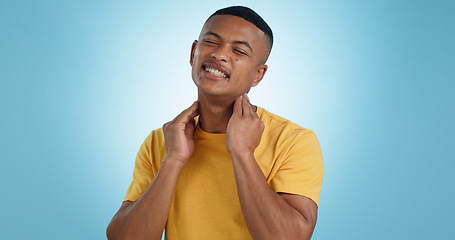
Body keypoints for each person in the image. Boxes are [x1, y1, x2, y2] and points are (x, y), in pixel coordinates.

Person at [107, 6, 323, 240]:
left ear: (258, 75)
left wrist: (242, 152)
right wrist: (173, 160)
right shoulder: (161, 141)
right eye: (211, 42)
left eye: (239, 50)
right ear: (193, 53)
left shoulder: (293, 141)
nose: (219, 55)